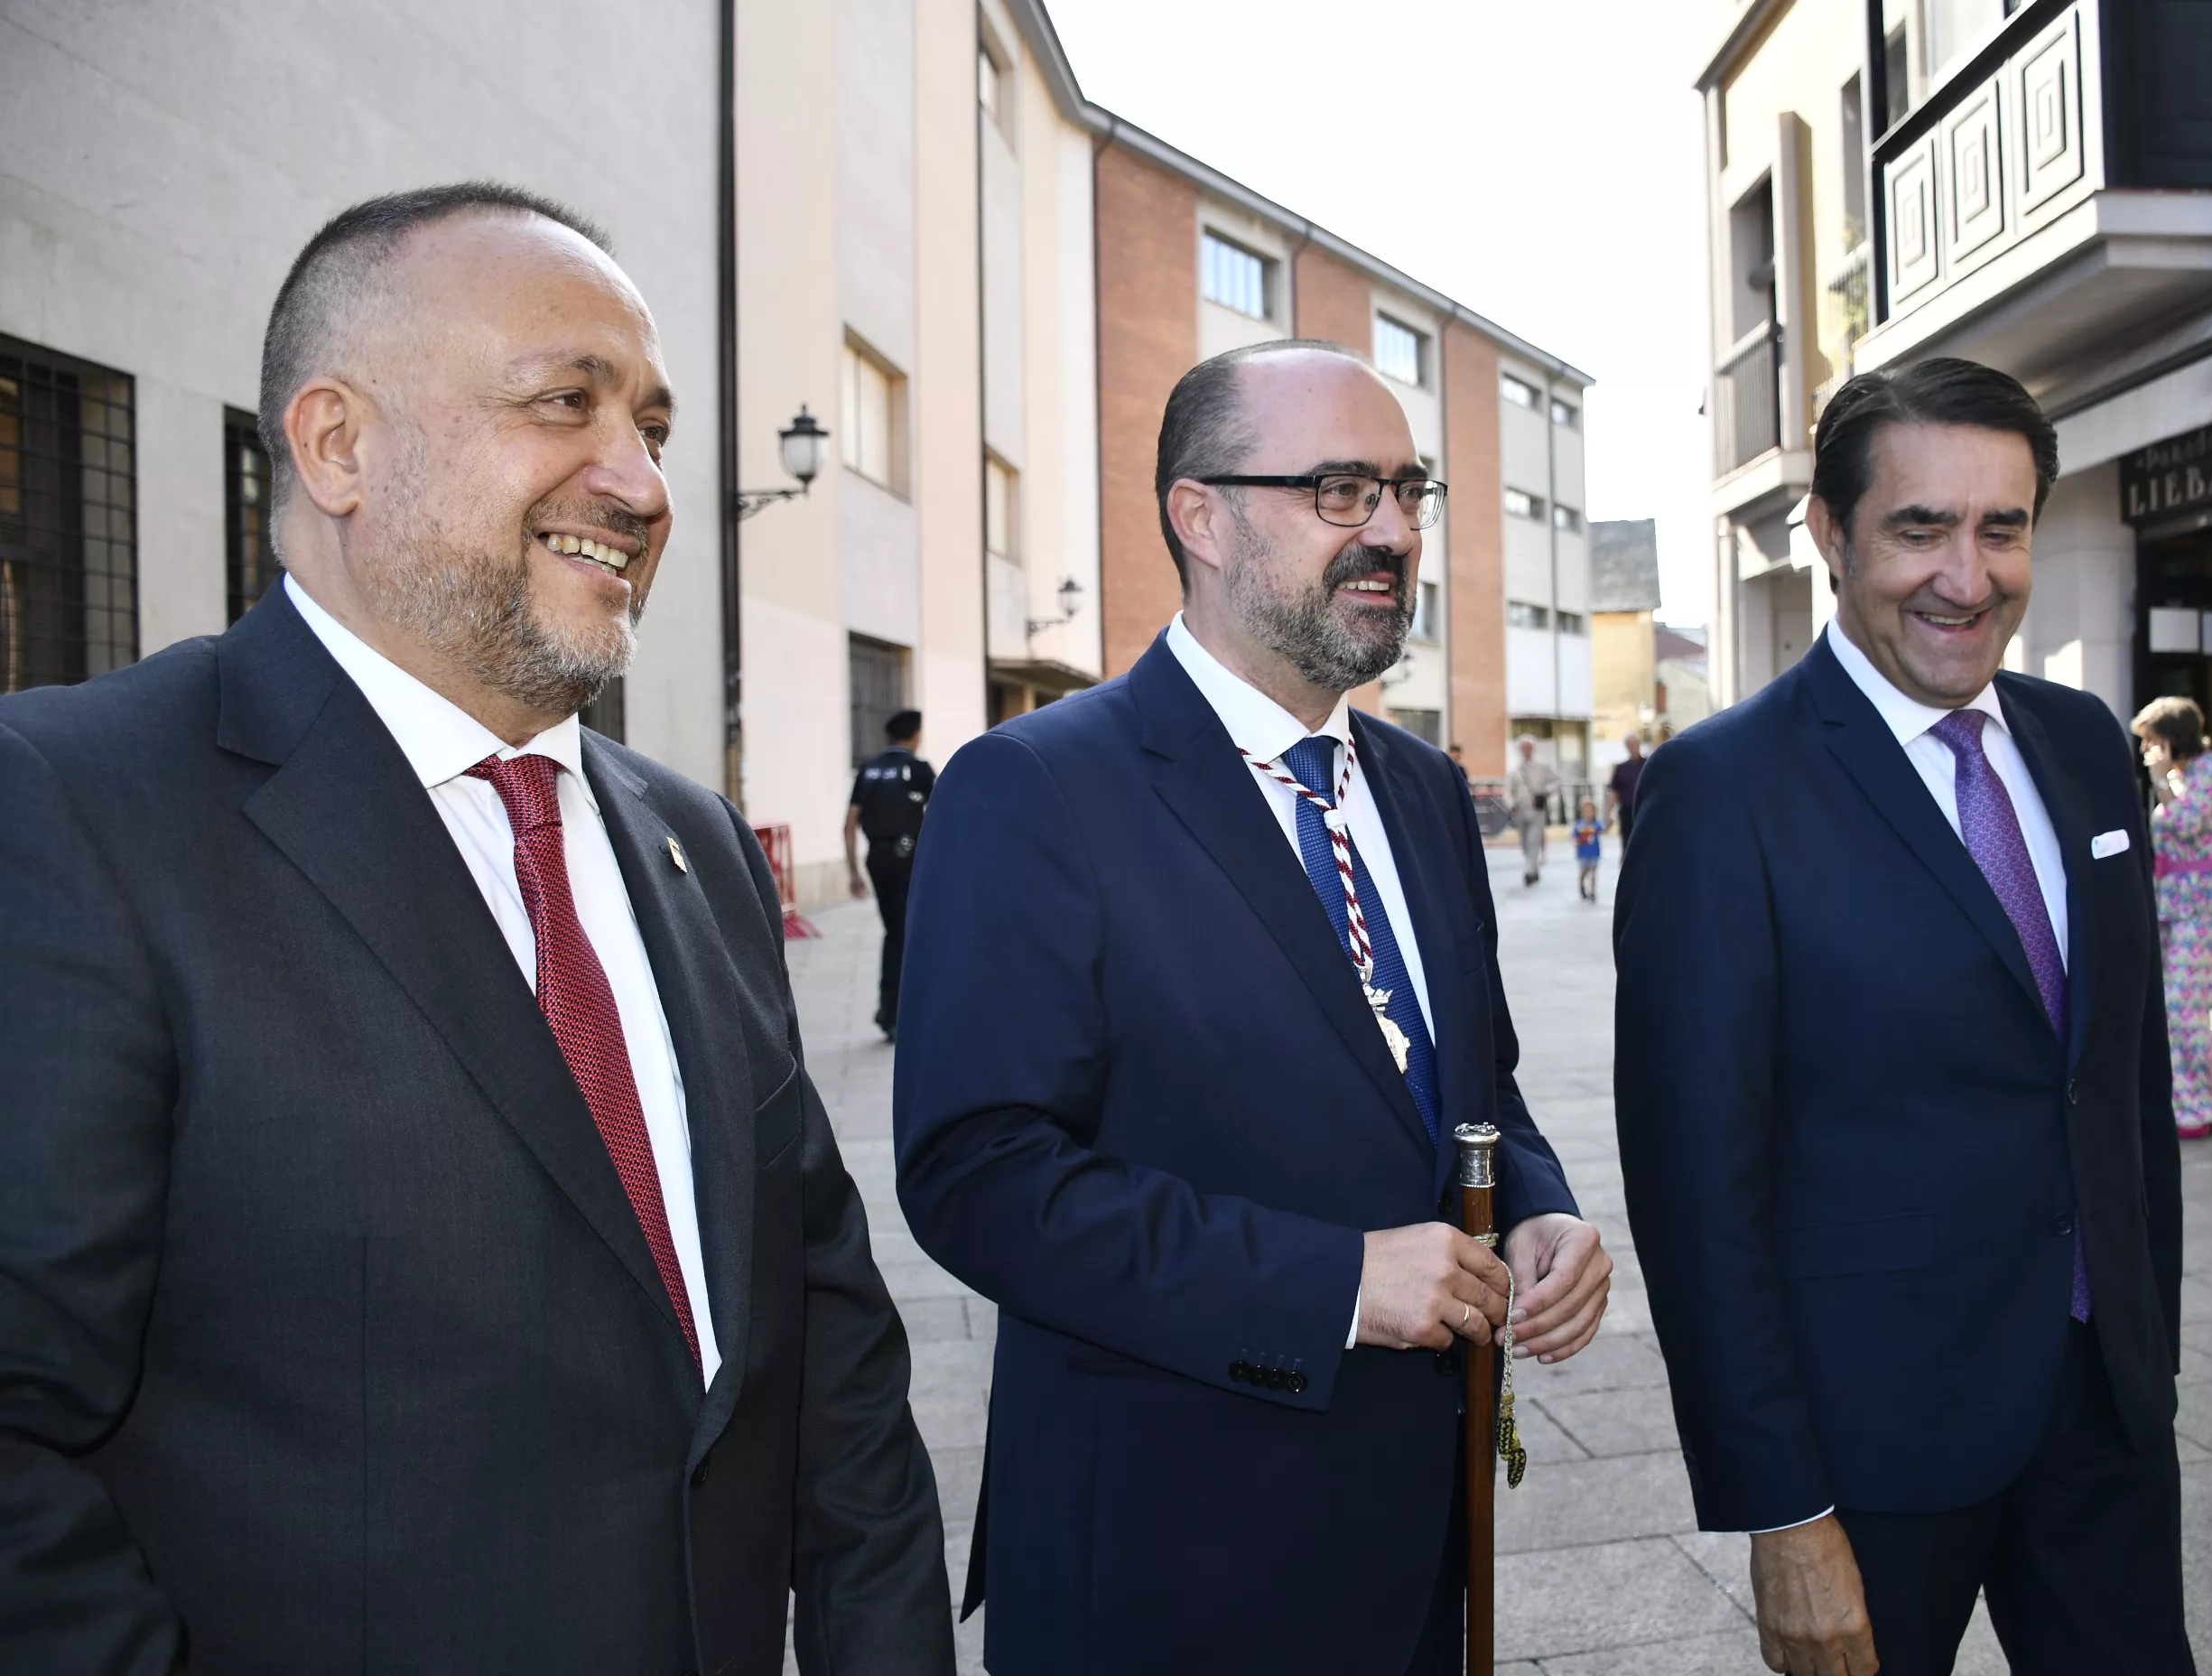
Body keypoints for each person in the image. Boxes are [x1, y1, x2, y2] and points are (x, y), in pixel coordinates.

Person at [0, 185, 953, 1674]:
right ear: (338, 447)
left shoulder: (688, 839)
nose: (636, 484)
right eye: (562, 403)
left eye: (650, 422)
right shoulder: (73, 808)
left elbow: (826, 1362)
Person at [894, 340, 1613, 1674]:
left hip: (1418, 1544)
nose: (1394, 531)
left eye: (1408, 490)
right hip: (1175, 1559)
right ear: (1201, 515)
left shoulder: (1423, 790)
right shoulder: (1034, 788)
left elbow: (1469, 1083)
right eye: (1342, 490)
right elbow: (979, 1177)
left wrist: (1537, 1202)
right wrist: (1333, 1284)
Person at [1615, 358, 2189, 1676]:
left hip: (2103, 1416)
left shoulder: (2087, 745)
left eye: (2003, 527)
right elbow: (1699, 1186)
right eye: (1920, 528)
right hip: (1870, 1459)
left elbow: (2120, 1083)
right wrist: (1784, 1509)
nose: (1968, 575)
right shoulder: (1721, 792)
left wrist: (2147, 1365)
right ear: (1827, 532)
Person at [2133, 696, 2212, 1141]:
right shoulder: (2180, 776)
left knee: (2184, 1007)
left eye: (2151, 742)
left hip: (2205, 903)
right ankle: (2176, 1101)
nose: (2146, 753)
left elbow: (2188, 825)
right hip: (2173, 901)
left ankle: (2197, 1107)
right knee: (2166, 1008)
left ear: (2171, 738)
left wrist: (2161, 783)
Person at [845, 708, 934, 1040]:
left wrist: (854, 870)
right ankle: (898, 1011)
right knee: (909, 934)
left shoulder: (868, 770)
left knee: (894, 932)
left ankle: (890, 1009)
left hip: (877, 860)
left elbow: (849, 824)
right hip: (909, 860)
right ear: (915, 735)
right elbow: (941, 813)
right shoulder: (919, 769)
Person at [1506, 735, 1563, 886]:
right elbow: (1508, 791)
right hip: (1520, 810)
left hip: (1537, 809)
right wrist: (1511, 803)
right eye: (1523, 748)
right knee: (1525, 842)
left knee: (1534, 840)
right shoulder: (1515, 771)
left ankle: (1528, 872)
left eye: (1529, 747)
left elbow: (1557, 781)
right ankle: (1533, 867)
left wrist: (1546, 791)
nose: (1526, 750)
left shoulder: (1543, 767)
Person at [1604, 731, 1647, 847]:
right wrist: (1608, 813)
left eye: (1635, 744)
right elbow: (1614, 791)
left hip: (1645, 809)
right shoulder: (1621, 768)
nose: (1633, 747)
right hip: (1627, 811)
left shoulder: (1648, 764)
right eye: (1630, 745)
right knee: (1627, 843)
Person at [1573, 798, 1605, 902]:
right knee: (1584, 871)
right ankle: (1581, 885)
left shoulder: (1596, 825)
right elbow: (1574, 837)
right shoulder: (1579, 825)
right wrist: (1576, 841)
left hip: (1594, 852)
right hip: (1583, 853)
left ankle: (1592, 891)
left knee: (1593, 872)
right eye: (1586, 810)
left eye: (1591, 811)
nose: (1588, 813)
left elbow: (1604, 829)